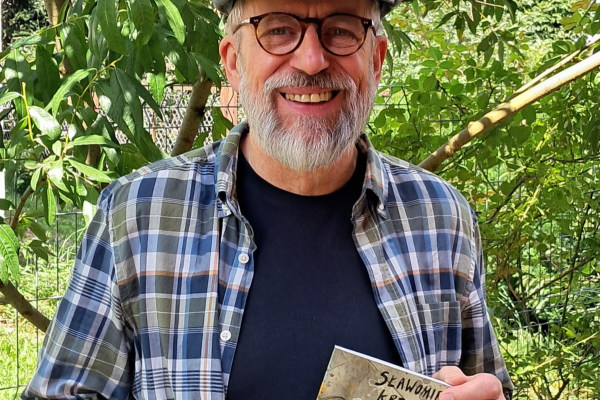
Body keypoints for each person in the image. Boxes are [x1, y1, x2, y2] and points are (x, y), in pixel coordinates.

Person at [22, 0, 514, 399]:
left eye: (342, 30)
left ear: (377, 60)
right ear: (233, 63)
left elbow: (485, 384)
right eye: (278, 29)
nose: (312, 60)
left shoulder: (442, 218)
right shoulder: (138, 214)